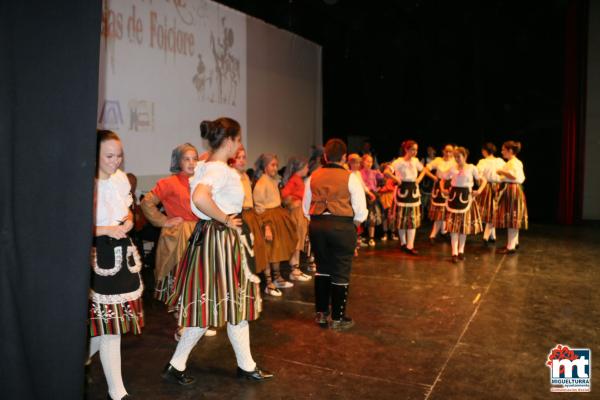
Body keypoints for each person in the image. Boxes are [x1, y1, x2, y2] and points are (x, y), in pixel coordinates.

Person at [163, 118, 271, 385]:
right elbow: (200, 197)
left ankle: (244, 365)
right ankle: (178, 365)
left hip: (214, 239)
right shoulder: (219, 170)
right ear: (230, 140)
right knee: (223, 305)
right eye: (238, 139)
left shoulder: (205, 166)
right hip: (221, 240)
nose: (240, 145)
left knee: (225, 306)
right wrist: (224, 218)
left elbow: (199, 188)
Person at [89, 130, 144, 400]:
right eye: (109, 155)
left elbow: (128, 211)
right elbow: (73, 226)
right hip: (98, 258)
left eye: (119, 155)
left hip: (122, 257)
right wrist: (107, 229)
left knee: (109, 325)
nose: (116, 161)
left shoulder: (121, 179)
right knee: (109, 327)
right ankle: (117, 392)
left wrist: (129, 221)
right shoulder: (86, 183)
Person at [303, 138, 368, 330]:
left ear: (325, 156)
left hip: (317, 226)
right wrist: (352, 224)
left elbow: (306, 209)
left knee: (322, 268)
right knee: (340, 270)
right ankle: (338, 318)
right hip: (341, 226)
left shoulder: (313, 176)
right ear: (345, 157)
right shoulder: (350, 178)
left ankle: (321, 315)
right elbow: (361, 211)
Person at [253, 153, 299, 296]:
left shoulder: (273, 181)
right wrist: (266, 226)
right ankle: (268, 282)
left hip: (277, 216)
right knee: (268, 251)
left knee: (277, 249)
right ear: (265, 166)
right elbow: (259, 207)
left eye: (276, 165)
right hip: (268, 219)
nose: (275, 168)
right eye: (272, 165)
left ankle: (277, 277)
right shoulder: (261, 182)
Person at [440, 147, 487, 263]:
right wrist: (443, 189)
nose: (456, 159)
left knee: (463, 227)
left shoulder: (471, 168)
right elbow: (442, 178)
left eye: (458, 157)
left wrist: (479, 190)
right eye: (455, 157)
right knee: (454, 228)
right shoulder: (452, 168)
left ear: (465, 156)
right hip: (454, 199)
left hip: (466, 199)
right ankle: (454, 253)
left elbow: (483, 180)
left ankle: (461, 251)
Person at [229, 146, 269, 278]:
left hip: (250, 214)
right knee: (243, 250)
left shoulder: (245, 175)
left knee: (257, 247)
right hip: (240, 215)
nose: (241, 160)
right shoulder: (230, 176)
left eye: (243, 157)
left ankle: (255, 278)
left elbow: (249, 197)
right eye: (238, 157)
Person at [388, 140, 425, 255]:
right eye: (413, 149)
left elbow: (424, 170)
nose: (415, 152)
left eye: (416, 150)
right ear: (406, 149)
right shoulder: (399, 162)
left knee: (412, 219)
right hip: (402, 192)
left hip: (413, 192)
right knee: (401, 219)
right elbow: (387, 171)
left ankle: (410, 245)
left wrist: (418, 179)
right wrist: (396, 179)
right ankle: (403, 243)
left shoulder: (415, 161)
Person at [281, 157, 313, 281]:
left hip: (299, 213)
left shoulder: (298, 180)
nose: (308, 169)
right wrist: (292, 203)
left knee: (298, 240)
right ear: (300, 168)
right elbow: (284, 194)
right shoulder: (294, 180)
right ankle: (294, 270)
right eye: (306, 167)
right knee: (296, 240)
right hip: (296, 214)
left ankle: (296, 269)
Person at [495, 140, 528, 254]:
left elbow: (514, 176)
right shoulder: (513, 162)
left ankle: (511, 246)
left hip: (512, 190)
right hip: (512, 189)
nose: (502, 151)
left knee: (511, 218)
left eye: (503, 149)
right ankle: (513, 243)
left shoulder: (514, 162)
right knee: (512, 218)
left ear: (510, 151)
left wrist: (501, 172)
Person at [424, 144, 456, 242]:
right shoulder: (438, 160)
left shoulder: (455, 161)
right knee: (440, 211)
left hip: (450, 186)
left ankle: (444, 231)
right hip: (439, 188)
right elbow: (426, 168)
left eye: (450, 151)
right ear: (443, 151)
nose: (448, 153)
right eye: (446, 151)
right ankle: (433, 235)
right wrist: (434, 177)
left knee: (447, 211)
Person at [475, 142, 506, 244]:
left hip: (487, 187)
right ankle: (493, 236)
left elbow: (478, 175)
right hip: (498, 186)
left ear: (485, 151)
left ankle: (486, 235)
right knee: (493, 210)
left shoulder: (483, 162)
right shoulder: (500, 161)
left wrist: (479, 184)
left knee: (491, 211)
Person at [360, 154, 384, 247]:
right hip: (363, 196)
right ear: (363, 162)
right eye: (367, 161)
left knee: (372, 216)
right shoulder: (359, 173)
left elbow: (383, 180)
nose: (369, 163)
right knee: (361, 217)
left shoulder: (374, 172)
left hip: (373, 196)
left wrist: (378, 189)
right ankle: (361, 236)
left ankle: (371, 238)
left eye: (371, 161)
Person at [378, 162, 398, 241]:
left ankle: (392, 233)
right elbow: (378, 187)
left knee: (392, 216)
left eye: (390, 169)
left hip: (391, 197)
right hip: (383, 197)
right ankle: (385, 233)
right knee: (384, 216)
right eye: (387, 169)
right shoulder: (381, 177)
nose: (389, 170)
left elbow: (397, 185)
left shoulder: (393, 178)